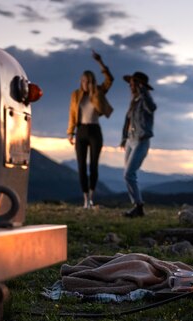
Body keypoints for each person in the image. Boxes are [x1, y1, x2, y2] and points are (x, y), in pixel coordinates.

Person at [67, 50, 114, 209]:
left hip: (95, 131)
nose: (84, 84)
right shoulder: (75, 95)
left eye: (87, 81)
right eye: (82, 81)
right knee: (81, 166)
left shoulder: (98, 92)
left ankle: (92, 198)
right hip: (80, 131)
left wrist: (100, 62)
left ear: (92, 81)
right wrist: (70, 131)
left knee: (93, 165)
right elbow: (72, 114)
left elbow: (110, 80)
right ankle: (85, 199)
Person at [120, 71, 156, 218]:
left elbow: (152, 107)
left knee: (129, 174)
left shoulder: (145, 100)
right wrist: (124, 138)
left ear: (140, 85)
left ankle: (139, 206)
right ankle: (137, 206)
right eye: (131, 83)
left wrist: (143, 90)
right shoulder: (133, 101)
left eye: (133, 83)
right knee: (127, 174)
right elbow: (127, 120)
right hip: (130, 140)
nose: (130, 85)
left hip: (142, 140)